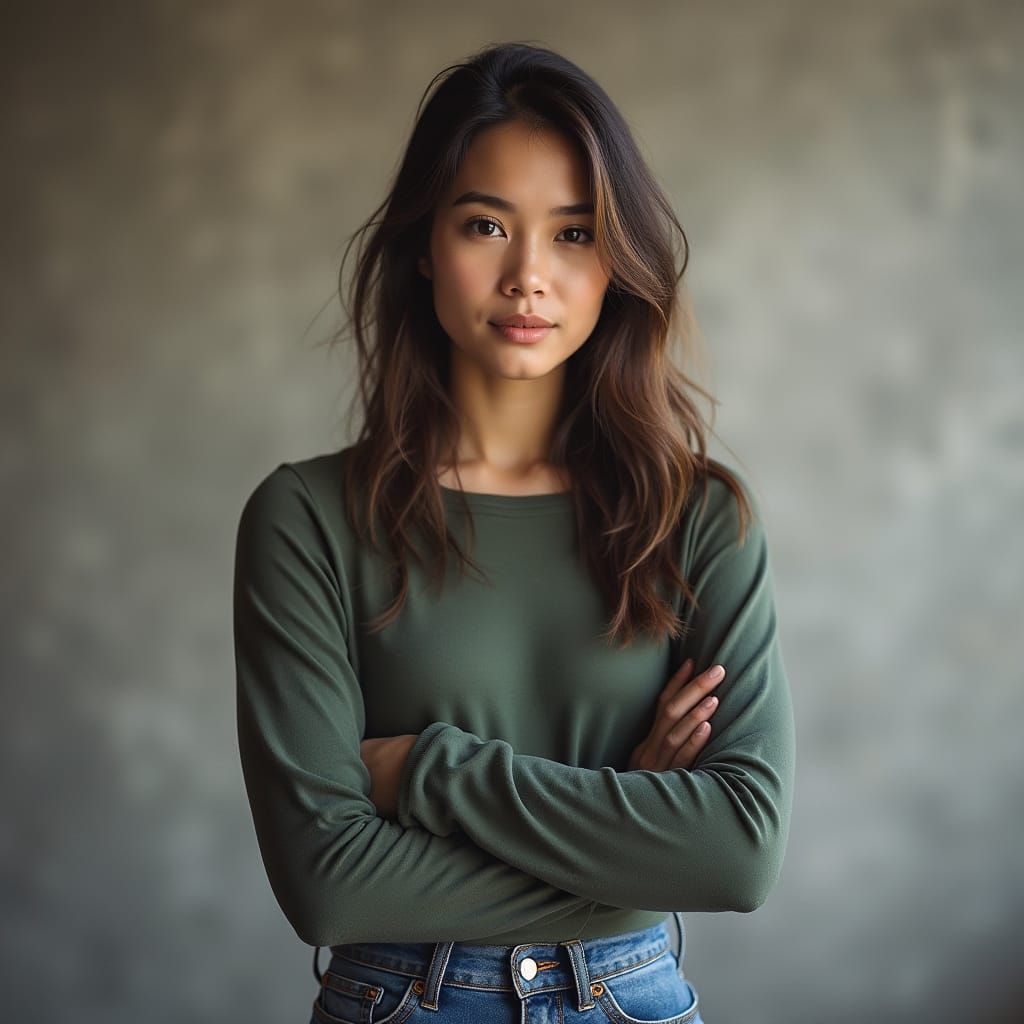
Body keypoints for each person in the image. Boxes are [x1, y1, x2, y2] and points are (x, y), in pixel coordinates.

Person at [233, 40, 795, 1024]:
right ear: (423, 245)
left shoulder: (697, 517)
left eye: (574, 234)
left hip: (633, 1004)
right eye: (486, 224)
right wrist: (627, 827)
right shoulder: (308, 519)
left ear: (616, 263)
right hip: (398, 1002)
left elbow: (738, 851)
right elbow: (327, 882)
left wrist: (421, 770)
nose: (528, 275)